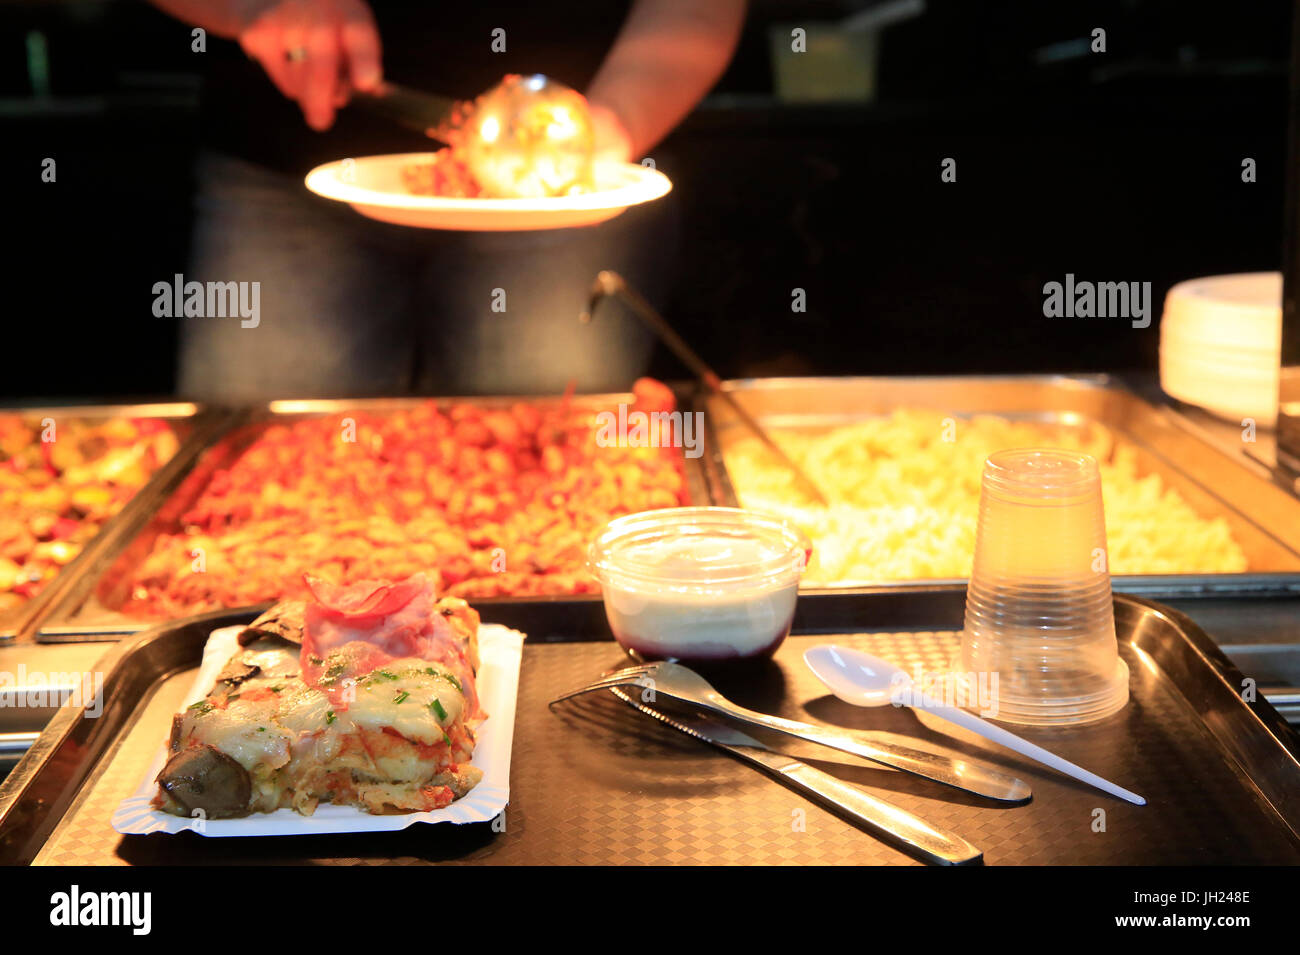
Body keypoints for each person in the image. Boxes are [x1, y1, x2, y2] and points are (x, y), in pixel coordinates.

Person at [145, 0, 747, 400]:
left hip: (566, 175)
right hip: (279, 156)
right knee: (257, 461)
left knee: (538, 461)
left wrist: (612, 125)